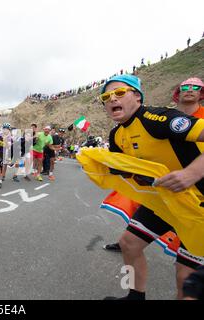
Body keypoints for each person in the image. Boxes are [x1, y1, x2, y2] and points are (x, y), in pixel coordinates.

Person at [99, 74, 204, 300]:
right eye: (106, 97)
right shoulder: (116, 135)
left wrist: (192, 173)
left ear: (137, 96)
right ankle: (135, 297)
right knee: (129, 244)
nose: (112, 99)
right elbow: (127, 170)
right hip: (166, 200)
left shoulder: (156, 118)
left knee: (186, 276)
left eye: (119, 93)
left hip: (199, 205)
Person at [0, 123, 13, 188]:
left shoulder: (10, 138)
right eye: (4, 128)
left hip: (5, 152)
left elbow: (8, 146)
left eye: (7, 129)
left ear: (9, 130)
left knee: (3, 165)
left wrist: (5, 139)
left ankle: (1, 178)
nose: (5, 130)